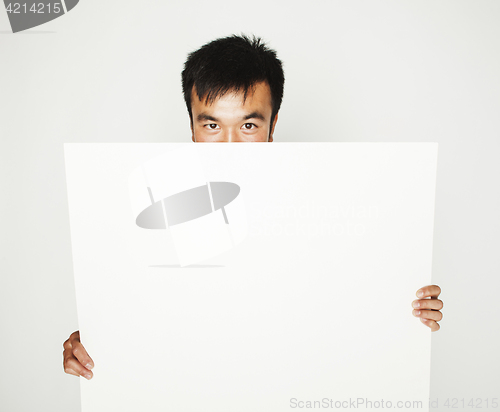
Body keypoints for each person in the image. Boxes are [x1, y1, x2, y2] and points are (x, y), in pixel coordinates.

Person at [62, 34, 444, 381]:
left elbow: (351, 315)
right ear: (192, 127)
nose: (228, 146)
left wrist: (406, 311)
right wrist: (91, 343)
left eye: (247, 127)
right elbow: (136, 321)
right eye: (212, 126)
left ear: (273, 124)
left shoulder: (330, 214)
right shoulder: (150, 218)